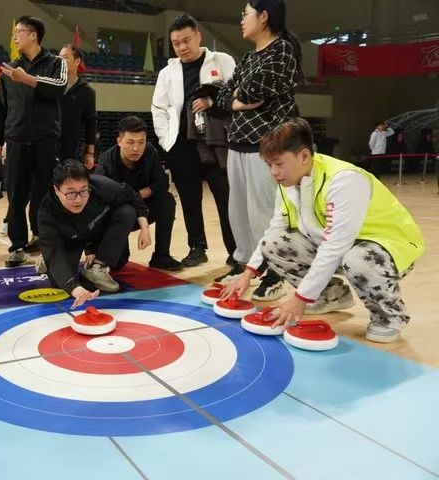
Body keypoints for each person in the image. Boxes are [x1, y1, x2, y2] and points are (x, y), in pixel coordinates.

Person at [222, 118, 424, 343]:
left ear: (304, 156)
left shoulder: (344, 180)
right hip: (336, 245)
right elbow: (273, 230)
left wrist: (299, 299)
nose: (273, 172)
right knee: (273, 243)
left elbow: (335, 246)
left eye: (278, 164)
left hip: (387, 248)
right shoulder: (288, 183)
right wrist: (247, 274)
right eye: (269, 165)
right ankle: (330, 296)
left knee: (358, 259)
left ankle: (390, 317)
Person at [213, 0, 304, 302]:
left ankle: (275, 272)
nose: (242, 19)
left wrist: (238, 96)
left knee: (264, 211)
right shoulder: (249, 57)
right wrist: (237, 99)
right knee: (238, 211)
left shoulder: (282, 51)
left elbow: (255, 90)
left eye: (246, 14)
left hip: (266, 146)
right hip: (237, 142)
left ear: (264, 17)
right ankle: (244, 265)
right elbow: (222, 96)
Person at [151, 13, 236, 268]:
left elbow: (236, 94)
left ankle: (236, 250)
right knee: (189, 199)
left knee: (225, 196)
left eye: (186, 40)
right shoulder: (167, 72)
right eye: (176, 43)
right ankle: (197, 248)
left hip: (215, 143)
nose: (182, 47)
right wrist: (166, 140)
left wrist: (212, 102)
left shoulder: (222, 60)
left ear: (198, 36)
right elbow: (158, 108)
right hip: (180, 146)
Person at [0, 16, 67, 268]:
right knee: (16, 197)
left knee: (45, 196)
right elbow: (0, 108)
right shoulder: (10, 70)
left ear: (33, 34)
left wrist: (27, 79)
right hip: (15, 140)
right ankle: (17, 247)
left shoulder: (56, 63)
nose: (15, 37)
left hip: (46, 141)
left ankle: (44, 243)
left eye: (19, 32)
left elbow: (59, 86)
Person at [38, 160, 152, 308]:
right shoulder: (46, 212)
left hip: (96, 231)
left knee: (127, 214)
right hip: (70, 239)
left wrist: (145, 229)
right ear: (57, 190)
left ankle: (97, 266)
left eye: (83, 191)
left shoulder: (101, 186)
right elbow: (54, 254)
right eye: (71, 193)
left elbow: (132, 196)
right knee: (60, 281)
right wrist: (75, 288)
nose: (79, 199)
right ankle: (45, 256)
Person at [96, 115, 183, 271]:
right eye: (130, 142)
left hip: (142, 206)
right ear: (119, 141)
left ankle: (161, 256)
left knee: (167, 200)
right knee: (118, 264)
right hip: (119, 215)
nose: (136, 148)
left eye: (141, 142)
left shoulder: (150, 151)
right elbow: (100, 201)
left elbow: (161, 183)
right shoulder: (106, 162)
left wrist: (138, 196)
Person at [58, 44, 96, 168]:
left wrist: (90, 153)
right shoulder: (50, 85)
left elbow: (91, 123)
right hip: (46, 146)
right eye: (59, 57)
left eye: (65, 57)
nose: (61, 60)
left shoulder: (87, 92)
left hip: (70, 150)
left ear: (77, 61)